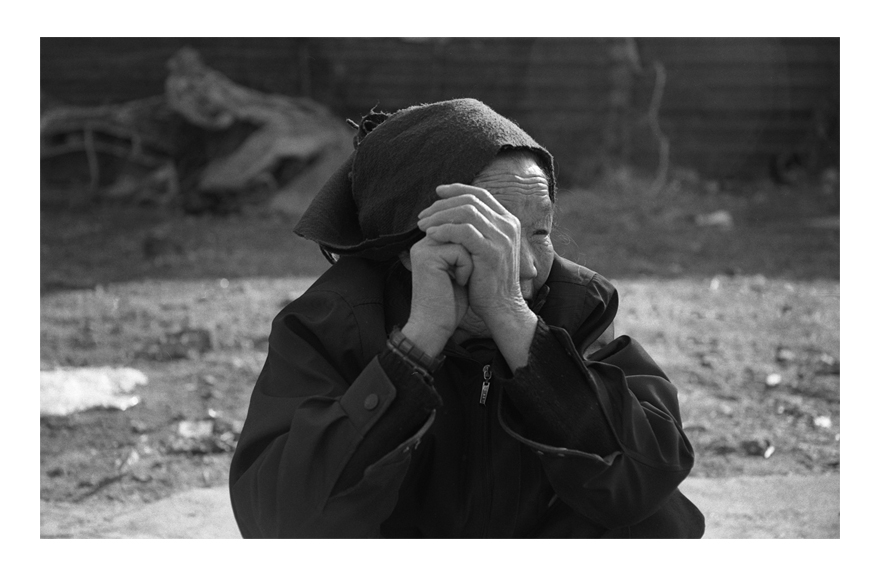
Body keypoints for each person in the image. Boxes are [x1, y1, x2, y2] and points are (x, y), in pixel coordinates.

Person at [228, 98, 705, 538]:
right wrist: (414, 348)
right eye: (489, 234)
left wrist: (516, 322)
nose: (526, 268)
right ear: (410, 249)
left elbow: (646, 475)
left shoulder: (575, 304)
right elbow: (277, 524)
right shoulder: (334, 321)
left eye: (539, 232)